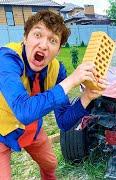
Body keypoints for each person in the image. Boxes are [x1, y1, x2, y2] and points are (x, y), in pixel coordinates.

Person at [0, 10, 107, 179]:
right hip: (1, 129)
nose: (43, 45)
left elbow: (64, 122)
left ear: (57, 50)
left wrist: (86, 97)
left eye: (53, 40)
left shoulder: (56, 70)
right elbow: (24, 111)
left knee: (51, 164)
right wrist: (71, 81)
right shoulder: (6, 58)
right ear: (25, 38)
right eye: (37, 34)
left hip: (32, 129)